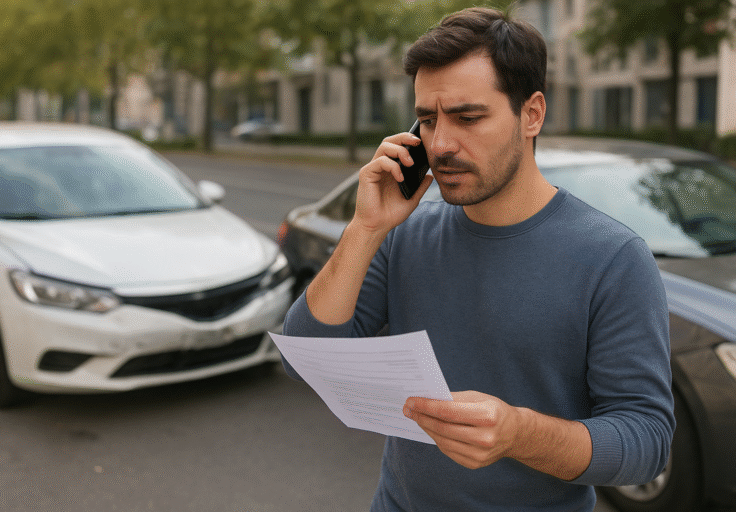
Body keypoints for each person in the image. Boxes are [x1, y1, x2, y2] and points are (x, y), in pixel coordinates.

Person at [281, 7, 675, 511]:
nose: (441, 143)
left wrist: (518, 433)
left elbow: (645, 442)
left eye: (468, 117)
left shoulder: (614, 259)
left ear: (531, 114)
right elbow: (305, 361)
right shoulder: (404, 236)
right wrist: (365, 228)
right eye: (426, 120)